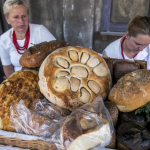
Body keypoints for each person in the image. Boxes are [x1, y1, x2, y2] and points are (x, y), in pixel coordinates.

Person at [0, 0, 56, 78]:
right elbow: (8, 68)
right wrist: (15, 84)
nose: (21, 21)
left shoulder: (40, 31)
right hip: (19, 80)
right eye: (16, 17)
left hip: (43, 78)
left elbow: (56, 54)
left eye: (24, 16)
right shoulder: (3, 39)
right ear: (7, 19)